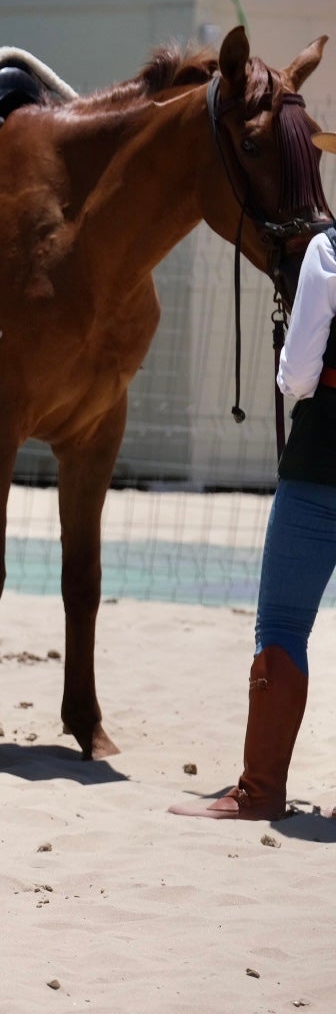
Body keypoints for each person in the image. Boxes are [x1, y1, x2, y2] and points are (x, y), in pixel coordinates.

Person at [169, 171, 336, 820]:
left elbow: (295, 377)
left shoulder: (328, 252)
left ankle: (261, 791)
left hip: (322, 462)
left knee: (283, 627)